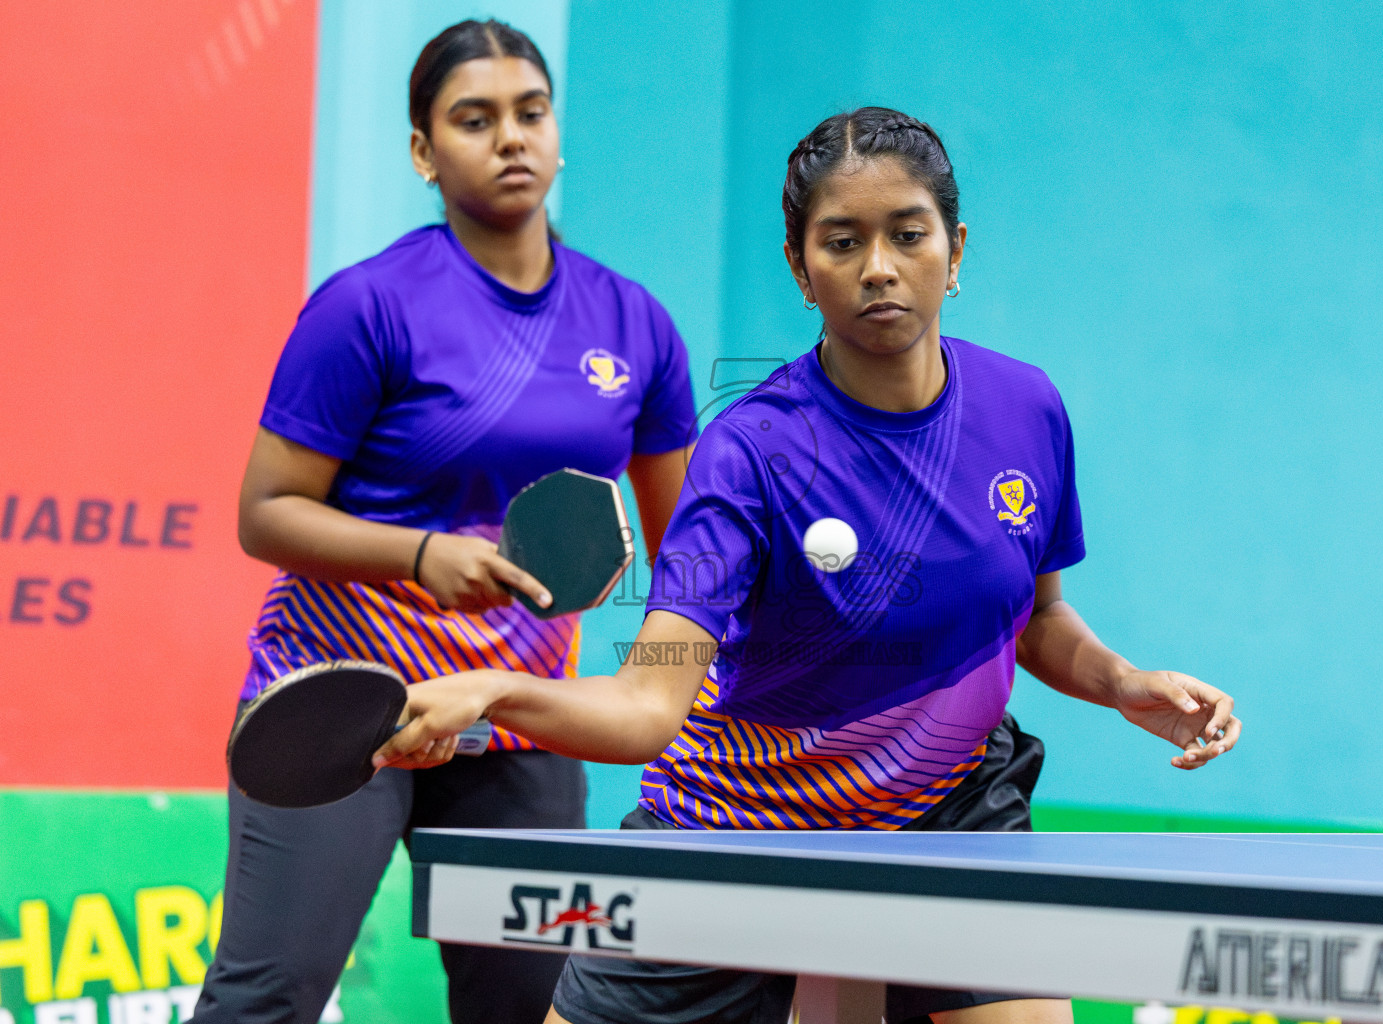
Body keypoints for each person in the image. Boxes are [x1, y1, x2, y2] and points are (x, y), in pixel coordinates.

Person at [377, 107, 1242, 1024]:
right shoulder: (748, 452)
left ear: (955, 249)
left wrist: (1120, 681)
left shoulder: (1025, 408)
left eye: (908, 234)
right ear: (800, 268)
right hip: (741, 820)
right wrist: (496, 692)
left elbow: (1035, 617)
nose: (879, 267)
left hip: (947, 804)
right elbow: (648, 702)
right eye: (842, 242)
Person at [190, 19, 697, 1024]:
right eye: (475, 119)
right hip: (347, 705)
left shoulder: (634, 324)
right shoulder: (367, 307)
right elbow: (266, 513)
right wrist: (421, 555)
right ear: (424, 152)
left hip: (516, 719)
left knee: (533, 1010)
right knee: (266, 1000)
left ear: (556, 134)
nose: (510, 138)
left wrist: (672, 693)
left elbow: (688, 552)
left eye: (531, 113)